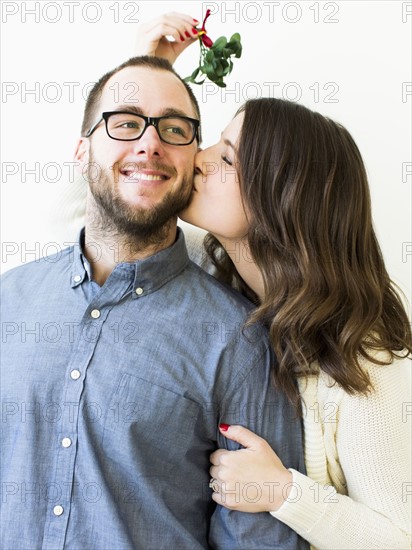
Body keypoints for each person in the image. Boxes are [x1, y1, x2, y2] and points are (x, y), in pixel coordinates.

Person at [0, 56, 308, 549]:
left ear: (195, 162)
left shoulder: (240, 340)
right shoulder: (8, 302)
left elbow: (258, 540)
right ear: (81, 151)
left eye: (174, 129)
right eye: (125, 123)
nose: (150, 143)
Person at [181, 100, 412, 549]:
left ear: (280, 201)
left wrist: (284, 492)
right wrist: (150, 76)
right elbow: (99, 217)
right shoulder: (211, 269)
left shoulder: (364, 357)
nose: (199, 158)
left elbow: (401, 538)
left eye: (226, 158)